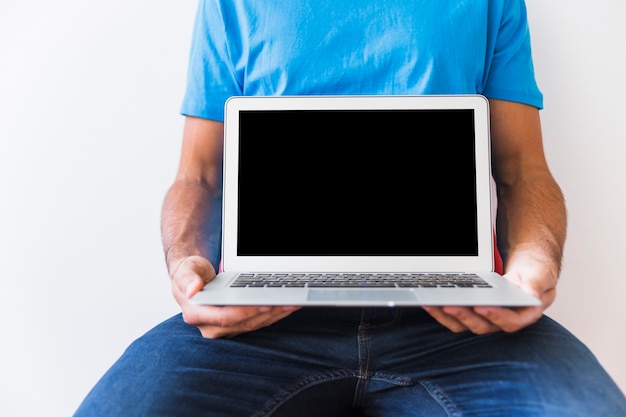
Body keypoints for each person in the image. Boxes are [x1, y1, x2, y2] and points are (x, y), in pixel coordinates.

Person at [74, 1, 626, 416]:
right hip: (261, 325)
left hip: (454, 325)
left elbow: (522, 168)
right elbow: (198, 174)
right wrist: (185, 264)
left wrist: (536, 259)